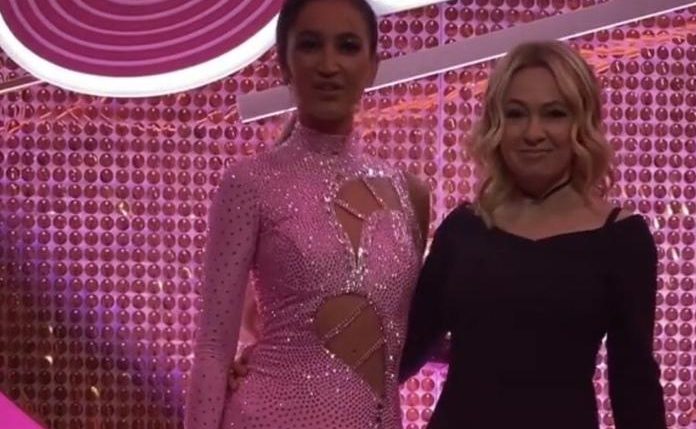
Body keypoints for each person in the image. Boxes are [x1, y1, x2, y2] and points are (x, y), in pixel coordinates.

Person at [183, 0, 430, 427]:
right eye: (311, 45)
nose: (329, 65)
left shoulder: (409, 194)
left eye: (347, 46)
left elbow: (398, 344)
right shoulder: (249, 184)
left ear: (372, 66)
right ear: (284, 63)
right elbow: (212, 350)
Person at [398, 40, 667, 428]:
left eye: (554, 114)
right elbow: (404, 352)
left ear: (581, 123)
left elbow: (635, 385)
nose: (533, 132)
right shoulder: (463, 230)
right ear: (496, 125)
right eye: (516, 114)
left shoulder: (622, 240)